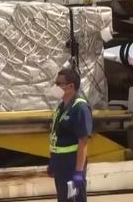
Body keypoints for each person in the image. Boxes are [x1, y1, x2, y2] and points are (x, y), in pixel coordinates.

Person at [47, 68, 93, 202]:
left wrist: (78, 171)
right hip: (60, 164)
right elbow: (56, 136)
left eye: (59, 84)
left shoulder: (80, 108)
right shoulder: (61, 107)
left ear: (71, 86)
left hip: (71, 165)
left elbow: (83, 141)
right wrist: (53, 162)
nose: (55, 87)